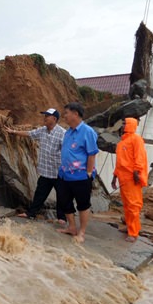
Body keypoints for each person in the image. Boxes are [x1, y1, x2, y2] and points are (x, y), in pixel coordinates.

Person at [4, 108, 65, 221]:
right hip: (46, 172)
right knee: (39, 194)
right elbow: (29, 134)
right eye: (45, 115)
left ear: (54, 119)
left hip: (58, 172)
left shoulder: (62, 133)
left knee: (62, 196)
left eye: (47, 116)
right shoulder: (42, 130)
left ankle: (62, 219)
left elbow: (68, 151)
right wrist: (13, 132)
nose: (45, 118)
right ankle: (31, 214)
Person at [56, 102, 99, 243]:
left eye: (66, 113)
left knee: (82, 204)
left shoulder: (88, 132)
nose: (65, 116)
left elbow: (92, 154)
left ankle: (82, 232)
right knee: (64, 201)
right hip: (64, 174)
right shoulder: (68, 132)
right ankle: (72, 227)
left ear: (75, 114)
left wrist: (88, 173)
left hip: (80, 175)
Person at [111, 118, 148, 243]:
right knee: (127, 204)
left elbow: (140, 157)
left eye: (124, 124)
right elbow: (119, 162)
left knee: (133, 205)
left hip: (132, 178)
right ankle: (128, 226)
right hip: (123, 178)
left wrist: (137, 172)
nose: (122, 126)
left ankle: (134, 232)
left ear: (130, 125)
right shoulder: (121, 143)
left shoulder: (136, 139)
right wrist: (114, 176)